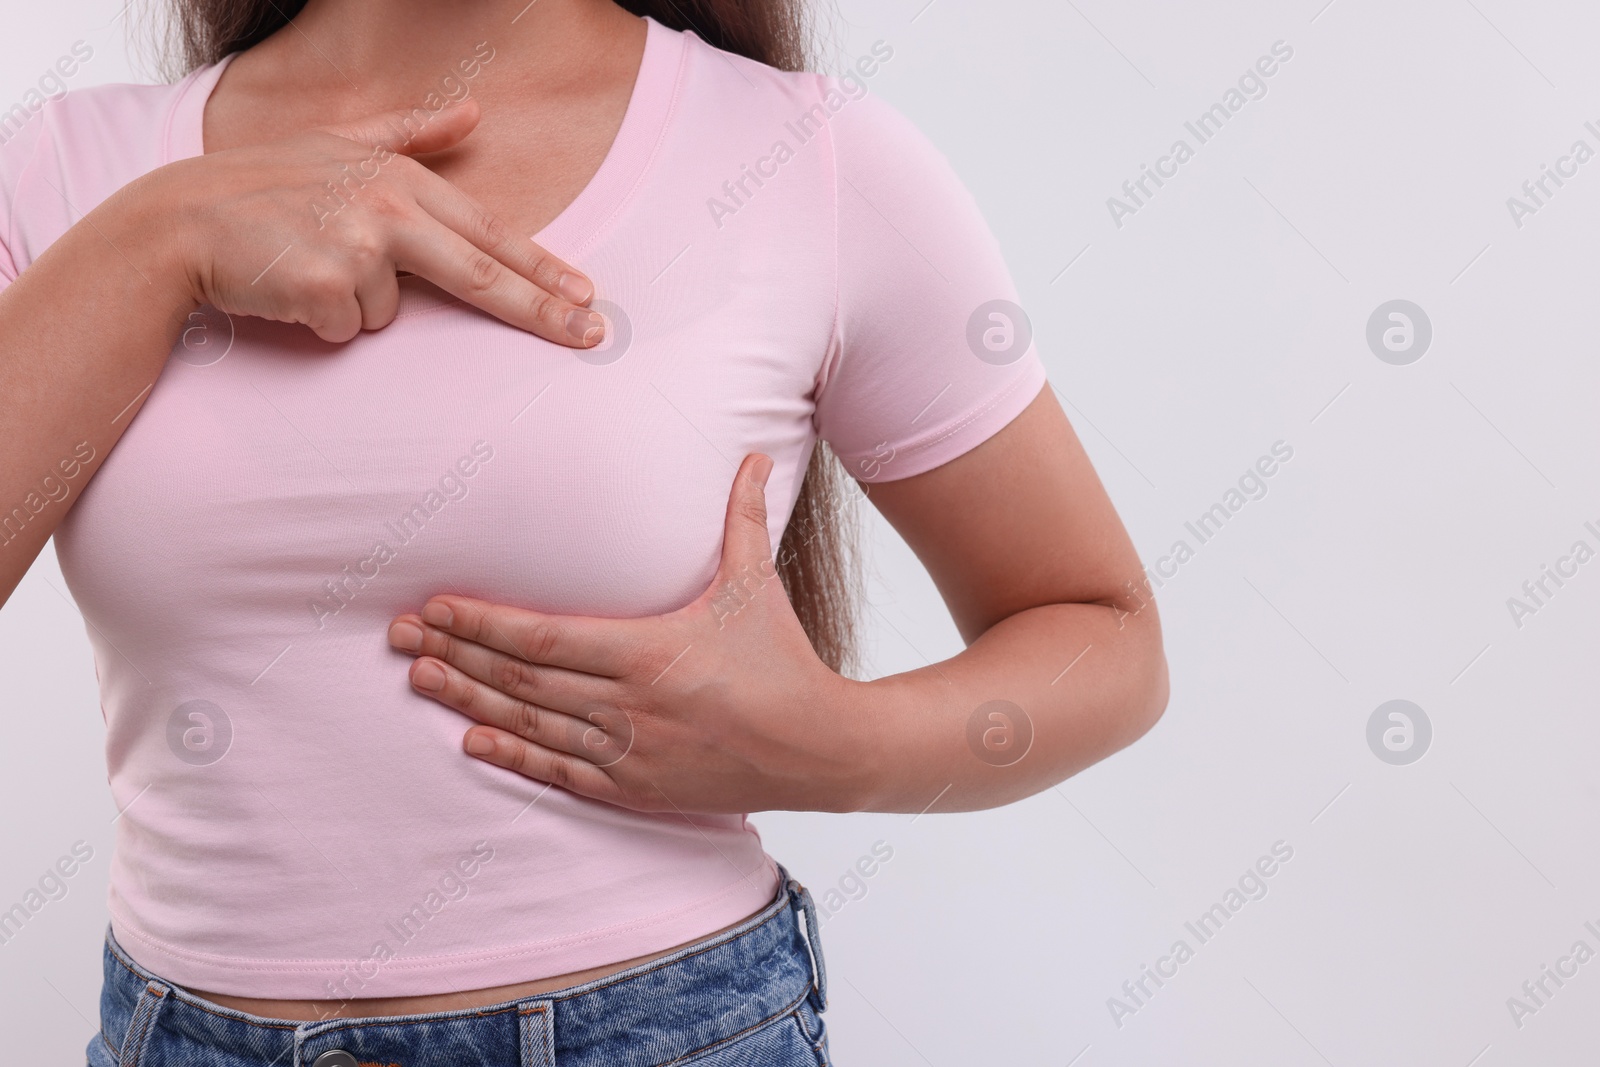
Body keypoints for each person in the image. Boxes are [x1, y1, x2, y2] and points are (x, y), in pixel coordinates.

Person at [0, 0, 1170, 1061]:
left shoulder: (808, 158)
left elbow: (1105, 636)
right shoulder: (68, 171)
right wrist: (154, 239)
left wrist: (841, 746)